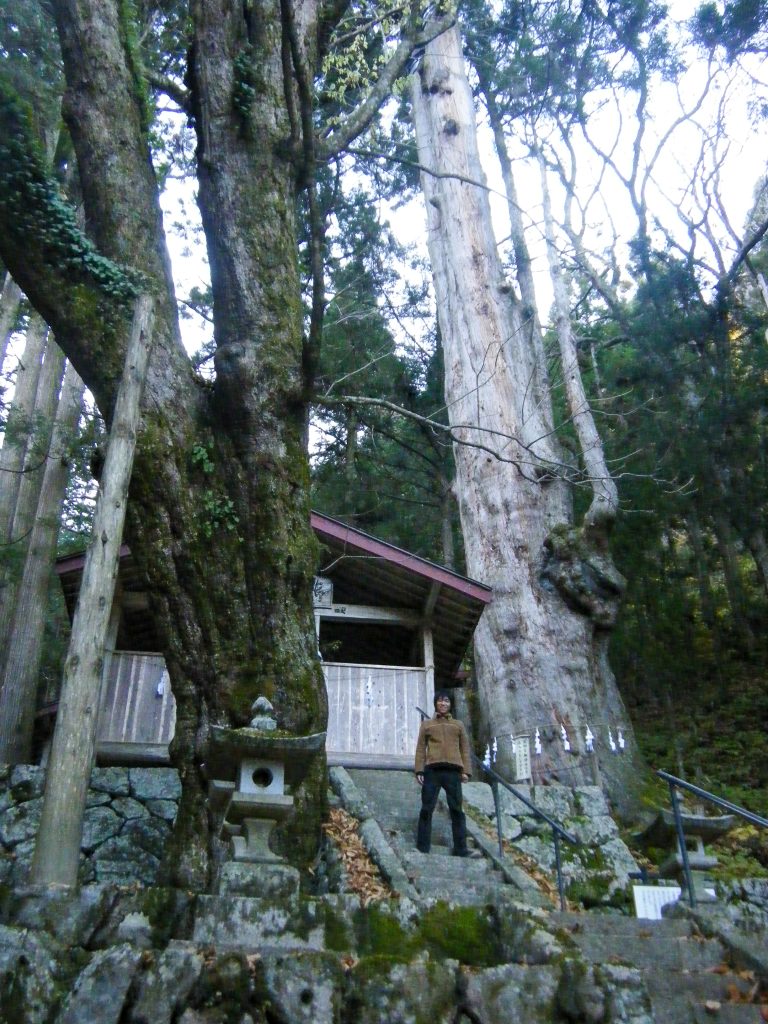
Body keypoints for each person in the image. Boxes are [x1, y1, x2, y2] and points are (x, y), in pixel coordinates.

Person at [414, 689, 478, 857]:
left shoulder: (458, 725)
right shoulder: (427, 724)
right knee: (427, 808)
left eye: (447, 701)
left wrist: (466, 771)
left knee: (457, 810)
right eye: (440, 700)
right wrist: (419, 769)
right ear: (436, 703)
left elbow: (465, 748)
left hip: (453, 772)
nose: (443, 703)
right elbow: (421, 748)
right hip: (432, 771)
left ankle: (461, 849)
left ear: (451, 704)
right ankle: (422, 847)